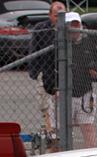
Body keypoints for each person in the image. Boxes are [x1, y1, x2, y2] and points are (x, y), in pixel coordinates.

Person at [58, 12, 97, 148]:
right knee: (61, 132)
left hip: (85, 93)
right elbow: (50, 70)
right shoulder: (58, 44)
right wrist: (56, 89)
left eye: (77, 25)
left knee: (88, 128)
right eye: (71, 26)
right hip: (64, 94)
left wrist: (96, 73)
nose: (74, 29)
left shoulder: (88, 42)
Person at [28, 1, 66, 149]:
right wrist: (36, 73)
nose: (59, 19)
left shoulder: (71, 28)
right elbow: (33, 51)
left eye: (63, 15)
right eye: (57, 16)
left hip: (64, 76)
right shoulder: (41, 29)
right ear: (50, 15)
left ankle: (62, 142)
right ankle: (54, 146)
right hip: (45, 76)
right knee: (48, 111)